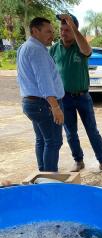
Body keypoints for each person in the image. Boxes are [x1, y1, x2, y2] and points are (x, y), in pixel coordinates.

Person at [49, 13, 102, 174]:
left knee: (92, 130)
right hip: (64, 98)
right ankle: (78, 160)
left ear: (75, 30)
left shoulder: (80, 46)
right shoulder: (55, 49)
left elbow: (86, 49)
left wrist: (74, 28)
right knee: (71, 133)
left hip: (83, 97)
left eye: (67, 29)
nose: (63, 32)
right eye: (62, 29)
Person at [17, 17, 64, 172]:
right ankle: (49, 181)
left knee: (42, 140)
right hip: (43, 104)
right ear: (35, 31)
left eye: (52, 31)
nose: (52, 35)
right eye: (48, 31)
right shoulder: (37, 50)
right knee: (53, 142)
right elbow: (44, 82)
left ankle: (43, 176)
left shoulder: (25, 47)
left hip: (32, 103)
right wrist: (55, 107)